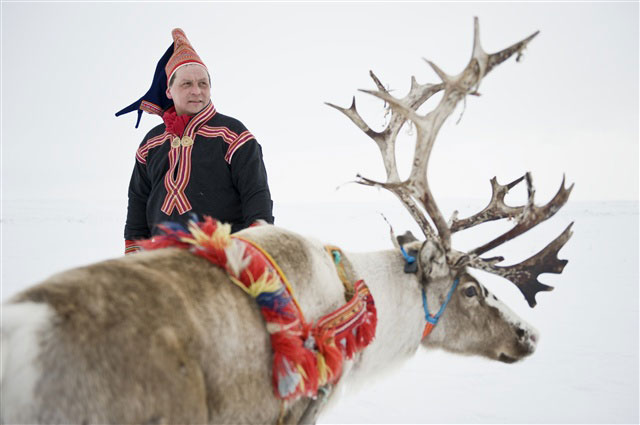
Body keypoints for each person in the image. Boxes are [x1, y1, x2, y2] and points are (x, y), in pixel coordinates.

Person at [116, 29, 274, 254]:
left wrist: (259, 245)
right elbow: (138, 199)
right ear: (169, 90)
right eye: (186, 84)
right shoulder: (151, 142)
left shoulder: (232, 134)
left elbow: (256, 193)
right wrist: (133, 248)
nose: (196, 91)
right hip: (161, 257)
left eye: (203, 84)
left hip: (223, 254)